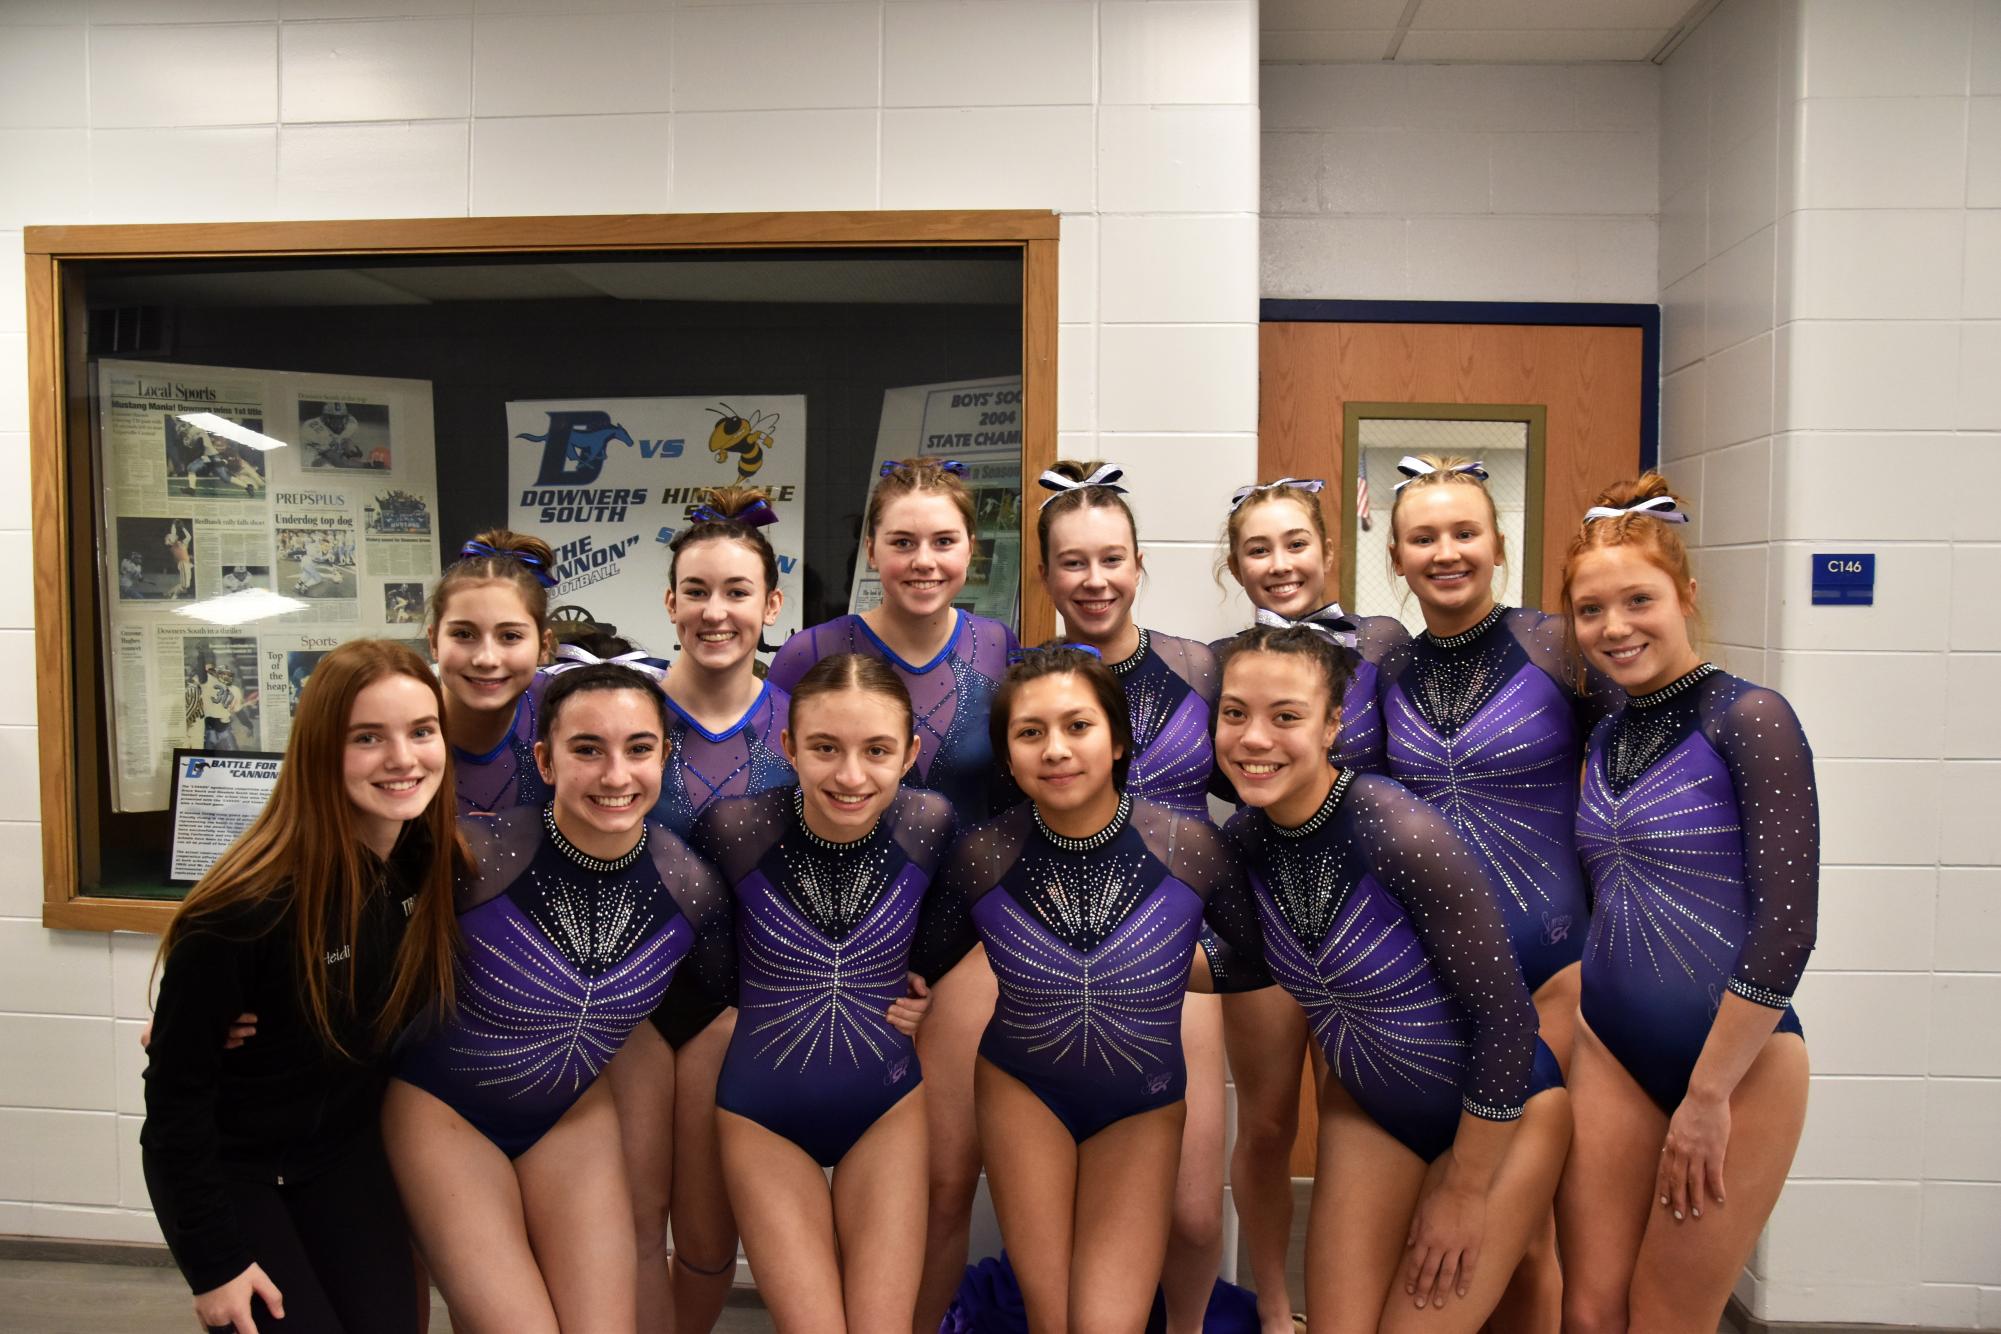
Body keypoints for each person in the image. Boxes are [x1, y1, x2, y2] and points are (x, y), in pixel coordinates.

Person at [1214, 623, 1572, 1333]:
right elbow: (1242, 962)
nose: (1254, 738)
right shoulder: (1245, 843)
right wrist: (1091, 972)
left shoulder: (1394, 828)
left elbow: (1506, 1022)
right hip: (1371, 1109)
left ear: (1332, 724)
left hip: (1500, 1113)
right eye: (1233, 714)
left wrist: (1465, 1191)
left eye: (1285, 716)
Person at [910, 645, 1266, 1333]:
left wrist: (1165, 968)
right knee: (1051, 1319)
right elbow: (921, 958)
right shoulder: (982, 855)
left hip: (1140, 1105)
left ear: (1118, 739)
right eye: (1030, 732)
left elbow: (1257, 959)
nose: (1055, 750)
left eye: (1077, 726)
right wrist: (903, 996)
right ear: (1007, 758)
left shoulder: (1188, 847)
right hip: (1023, 1094)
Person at [384, 662, 736, 1333]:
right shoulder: (471, 856)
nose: (614, 776)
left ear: (665, 755)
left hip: (568, 1118)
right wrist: (229, 1011)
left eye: (637, 749)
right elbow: (338, 935)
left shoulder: (692, 890)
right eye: (586, 750)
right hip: (442, 1111)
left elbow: (717, 1006)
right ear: (544, 760)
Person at [142, 639, 465, 1334]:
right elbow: (173, 1107)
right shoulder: (247, 906)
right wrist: (214, 1261)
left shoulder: (428, 862)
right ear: (320, 749)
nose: (403, 759)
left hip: (341, 1164)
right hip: (239, 1177)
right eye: (367, 738)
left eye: (421, 731)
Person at [1555, 477, 1816, 1334]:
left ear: (1686, 597)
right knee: (1589, 1312)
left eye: (1639, 600)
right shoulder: (1605, 732)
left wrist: (1707, 1096)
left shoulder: (1751, 719)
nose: (1615, 627)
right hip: (1612, 1054)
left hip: (1738, 1072)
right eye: (1591, 610)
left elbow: (1787, 927)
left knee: (1666, 1315)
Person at [766, 457, 1018, 1329]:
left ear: (970, 548)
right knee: (844, 1176)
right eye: (901, 540)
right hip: (841, 935)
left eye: (943, 541)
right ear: (871, 546)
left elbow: (1026, 802)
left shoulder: (994, 649)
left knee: (945, 1179)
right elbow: (775, 810)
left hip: (964, 938)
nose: (923, 560)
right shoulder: (814, 652)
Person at [1376, 453, 1619, 1330]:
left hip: (1553, 968)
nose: (1446, 551)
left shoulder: (1559, 646)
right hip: (1429, 985)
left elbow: (1634, 771)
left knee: (1531, 1233)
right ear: (1396, 557)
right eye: (1423, 536)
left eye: (1464, 532)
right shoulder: (1383, 669)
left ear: (1498, 545)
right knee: (1452, 1229)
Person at [698, 653, 951, 1331]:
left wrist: (934, 994)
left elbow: (955, 939)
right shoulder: (734, 829)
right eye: (824, 748)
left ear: (909, 752)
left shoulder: (929, 824)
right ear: (787, 747)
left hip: (885, 1104)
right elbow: (704, 967)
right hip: (761, 1112)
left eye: (876, 751)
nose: (849, 775)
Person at [1212, 476, 1411, 1332]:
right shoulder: (1214, 660)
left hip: (1363, 920)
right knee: (1263, 1123)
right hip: (1260, 907)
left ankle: (1351, 1294)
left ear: (1330, 553)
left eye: (1295, 543)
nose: (1279, 563)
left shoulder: (1386, 646)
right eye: (1257, 548)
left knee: (1353, 1113)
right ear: (1234, 566)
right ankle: (1276, 1304)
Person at [1035, 460, 1226, 1333]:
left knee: (1190, 1208)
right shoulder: (1029, 682)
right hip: (1062, 955)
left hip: (1179, 951)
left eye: (1110, 558)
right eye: (1072, 562)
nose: (1094, 580)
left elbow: (1263, 792)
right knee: (1080, 1193)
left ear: (1139, 563)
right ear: (1045, 577)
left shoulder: (1196, 668)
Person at [607, 486, 795, 1334]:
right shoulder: (624, 718)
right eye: (697, 592)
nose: (715, 612)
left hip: (740, 1006)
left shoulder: (800, 728)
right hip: (625, 1005)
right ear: (669, 601)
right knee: (636, 1224)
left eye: (737, 592)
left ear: (772, 602)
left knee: (714, 1239)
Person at [425, 531, 558, 820]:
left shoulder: (565, 710)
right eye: (463, 634)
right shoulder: (397, 717)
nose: (486, 658)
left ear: (543, 647)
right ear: (434, 642)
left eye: (510, 636)